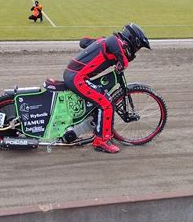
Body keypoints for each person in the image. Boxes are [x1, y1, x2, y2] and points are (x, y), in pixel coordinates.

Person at [63, 24, 150, 153]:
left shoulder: (105, 42)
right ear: (134, 42)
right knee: (107, 103)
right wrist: (123, 62)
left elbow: (83, 42)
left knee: (101, 99)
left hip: (75, 76)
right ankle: (101, 142)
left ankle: (100, 128)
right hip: (77, 78)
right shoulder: (114, 41)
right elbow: (112, 41)